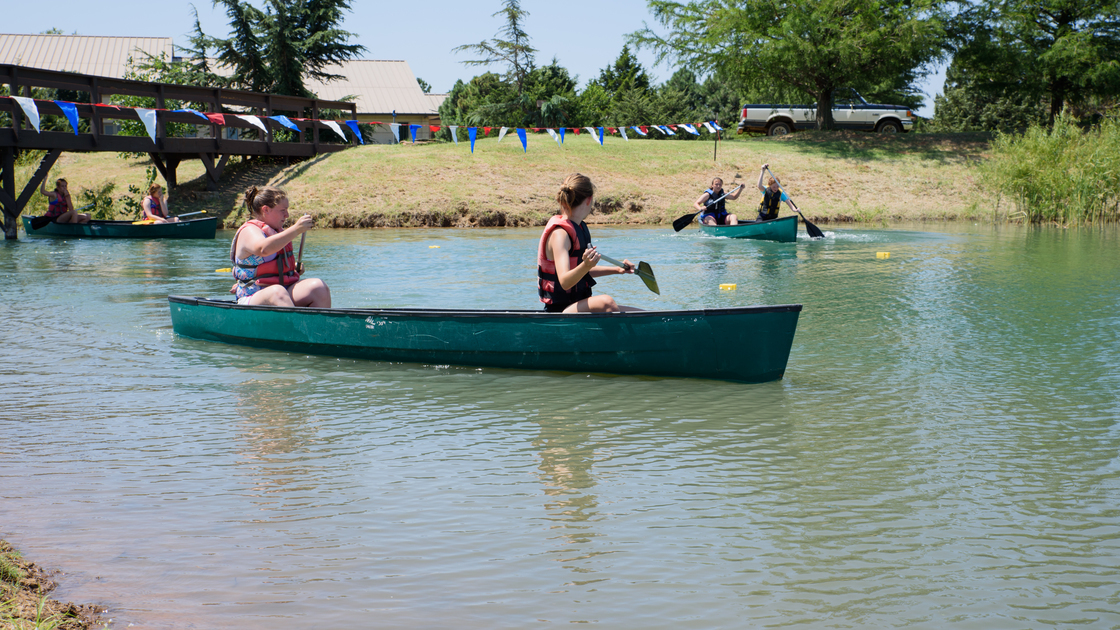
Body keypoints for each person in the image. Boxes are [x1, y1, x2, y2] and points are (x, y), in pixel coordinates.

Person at [537, 173, 641, 313]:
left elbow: (580, 272)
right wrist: (586, 264)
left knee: (639, 313)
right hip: (559, 311)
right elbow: (565, 281)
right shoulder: (560, 234)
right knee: (607, 302)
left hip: (576, 306)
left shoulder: (579, 228)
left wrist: (618, 269)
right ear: (589, 200)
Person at [230, 185, 331, 308]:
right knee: (277, 291)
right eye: (283, 210)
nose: (287, 215)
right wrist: (296, 229)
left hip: (283, 293)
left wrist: (291, 269)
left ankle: (318, 326)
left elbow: (273, 262)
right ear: (266, 210)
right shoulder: (249, 231)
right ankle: (294, 327)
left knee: (319, 288)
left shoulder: (276, 232)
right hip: (252, 296)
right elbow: (264, 249)